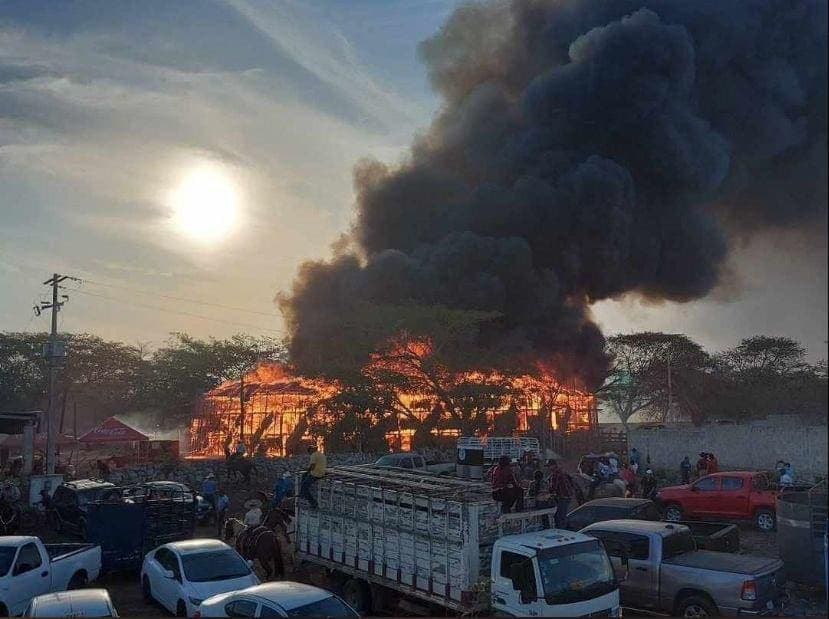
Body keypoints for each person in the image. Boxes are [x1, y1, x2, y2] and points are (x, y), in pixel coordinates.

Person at [547, 460, 573, 529]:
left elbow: (553, 488)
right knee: (561, 515)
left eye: (549, 466)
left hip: (563, 497)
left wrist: (547, 494)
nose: (548, 468)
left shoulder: (555, 474)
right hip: (567, 496)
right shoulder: (563, 472)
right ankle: (566, 528)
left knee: (560, 516)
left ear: (554, 465)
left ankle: (562, 531)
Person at [299, 444, 326, 509]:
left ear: (311, 450)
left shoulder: (313, 455)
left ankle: (313, 503)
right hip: (322, 473)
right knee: (304, 476)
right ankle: (302, 493)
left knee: (305, 487)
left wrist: (308, 471)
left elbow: (313, 466)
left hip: (316, 474)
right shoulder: (321, 454)